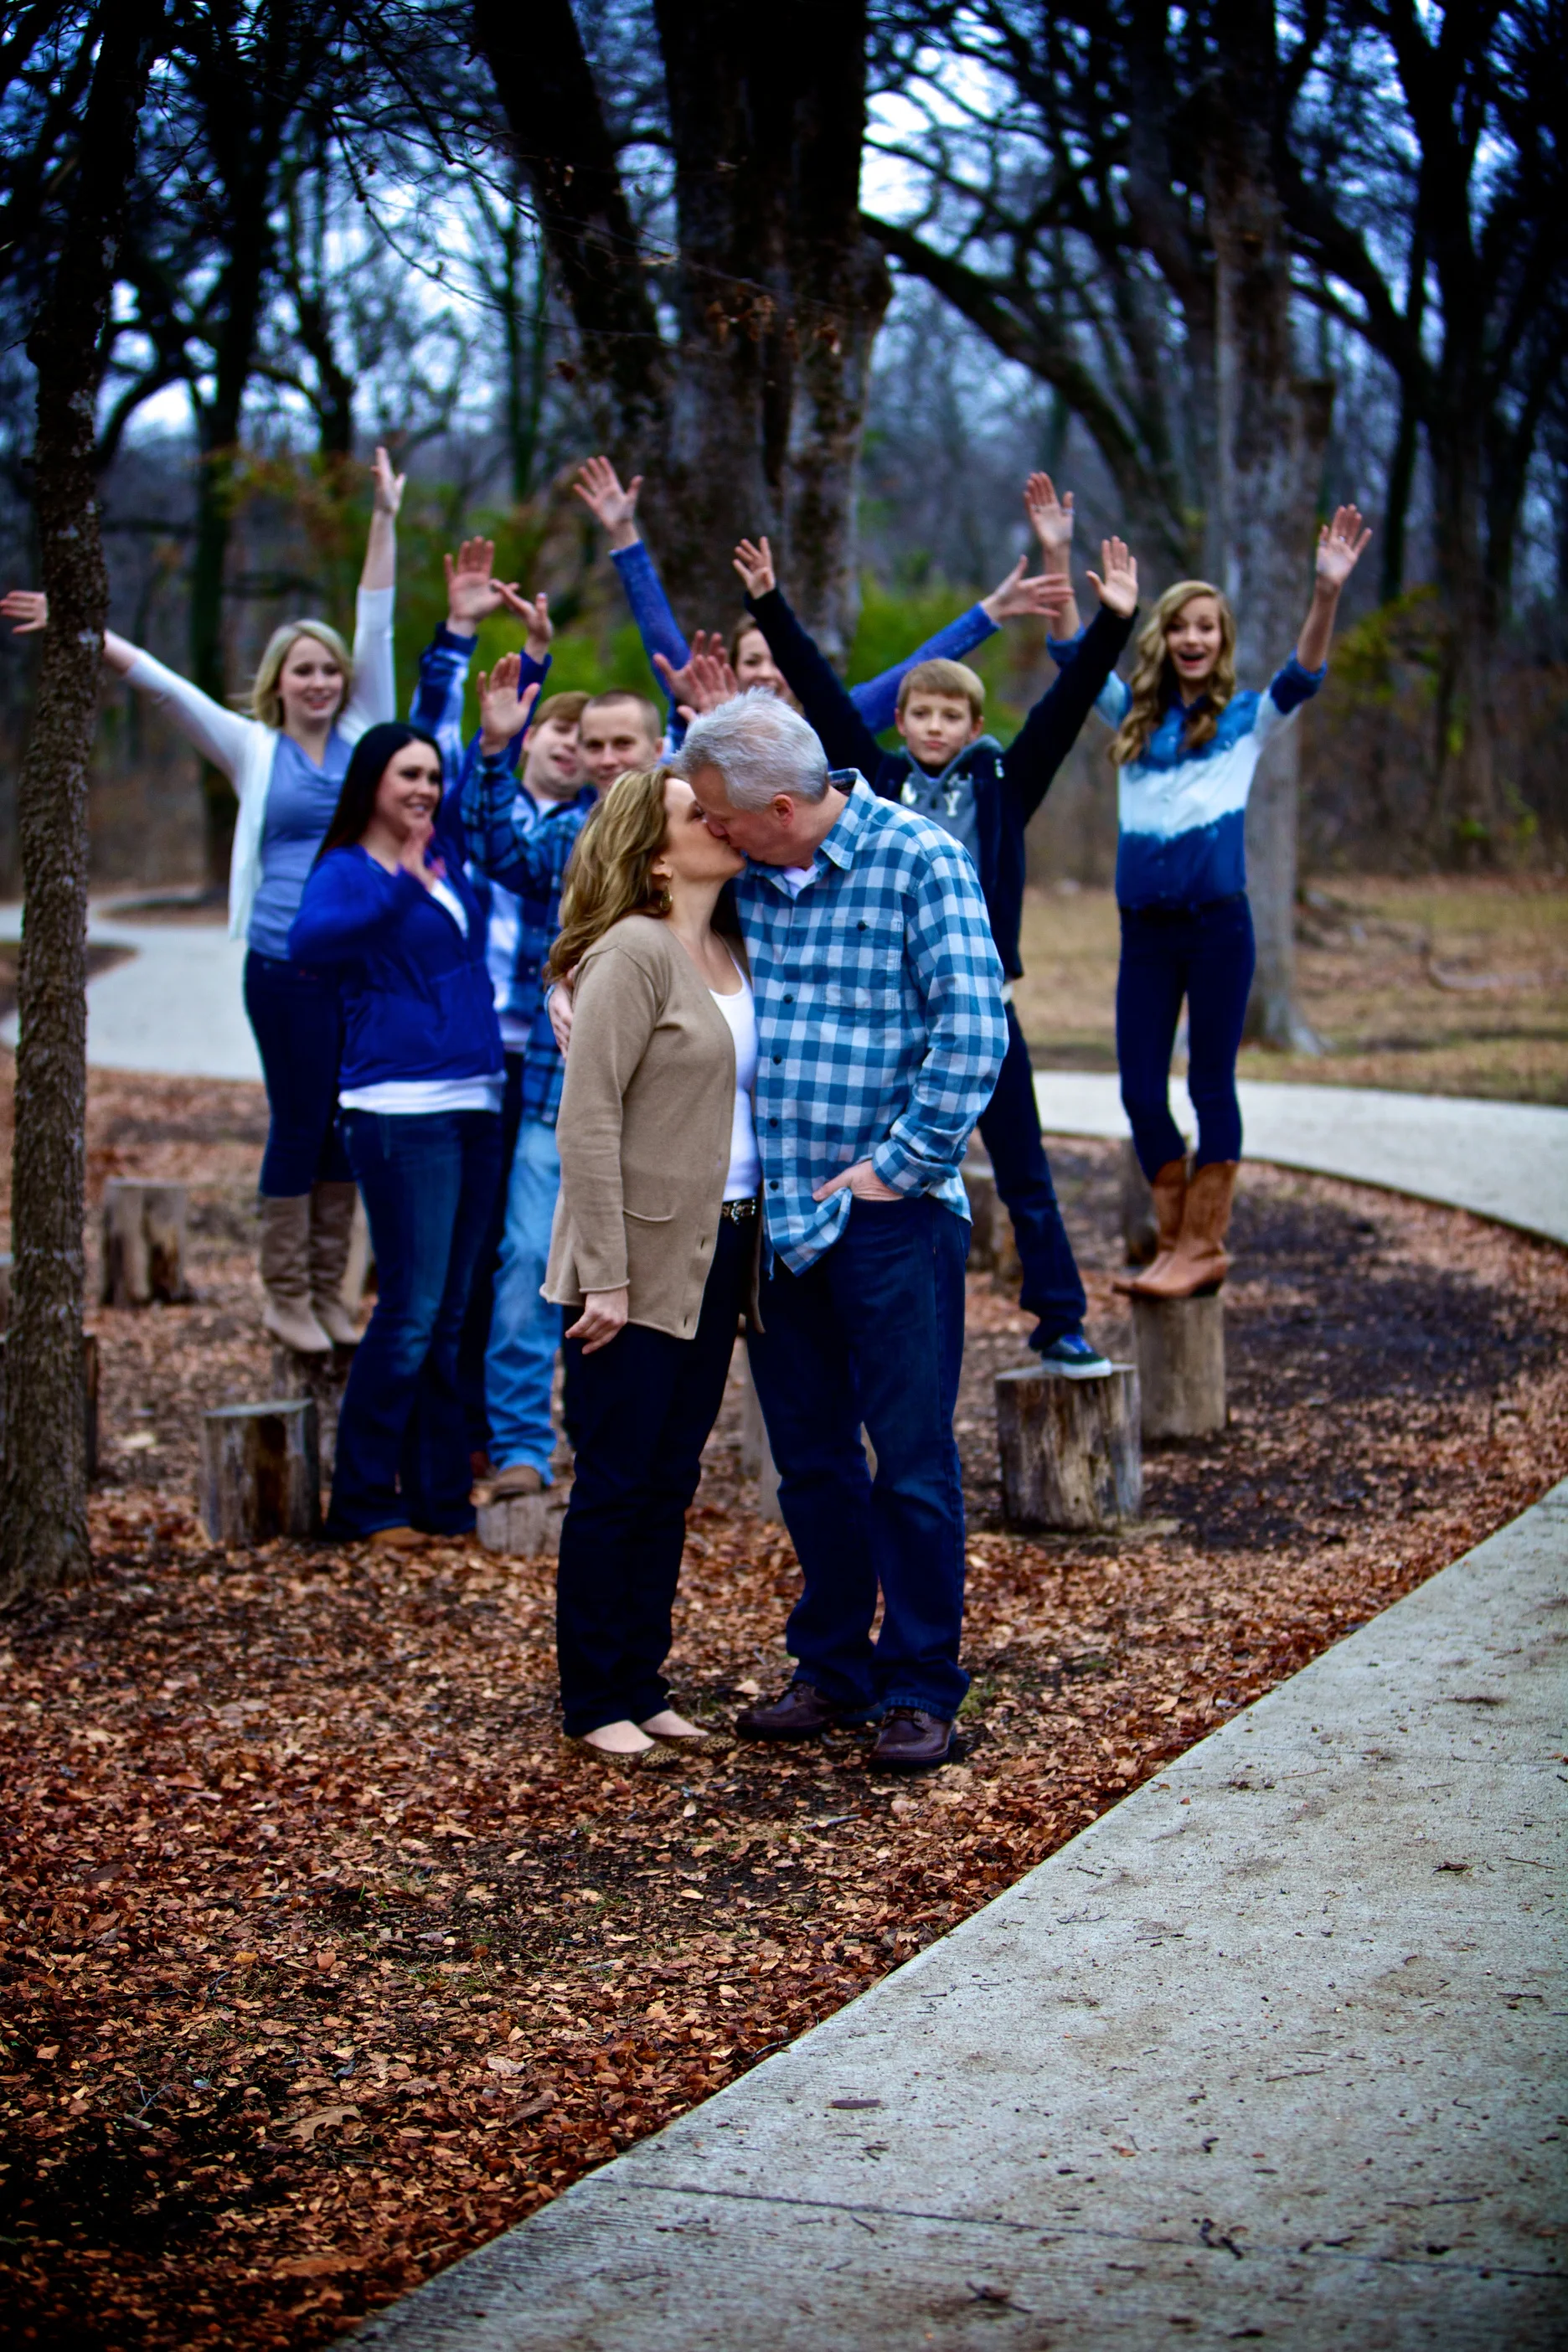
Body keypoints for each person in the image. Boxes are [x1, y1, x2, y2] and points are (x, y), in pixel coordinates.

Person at [667, 693, 1007, 1771]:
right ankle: (833, 1668)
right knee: (811, 1461)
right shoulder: (742, 882)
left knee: (909, 1460)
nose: (710, 831)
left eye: (721, 816)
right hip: (774, 1221)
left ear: (777, 806)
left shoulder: (918, 859)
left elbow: (975, 1025)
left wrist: (899, 1169)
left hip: (890, 1218)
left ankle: (919, 1683)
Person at [3, 446, 405, 1357]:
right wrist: (78, 623)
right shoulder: (250, 747)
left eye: (328, 670)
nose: (320, 681)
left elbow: (375, 623)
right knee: (300, 1119)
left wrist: (384, 516)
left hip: (362, 968)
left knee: (349, 1121)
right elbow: (159, 683)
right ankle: (285, 1296)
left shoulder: (366, 736)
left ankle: (332, 1294)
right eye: (302, 670)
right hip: (285, 966)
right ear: (278, 680)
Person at [727, 526, 1140, 1374]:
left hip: (983, 1009)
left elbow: (1065, 711)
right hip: (883, 1024)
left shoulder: (1003, 789)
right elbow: (821, 692)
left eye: (952, 714)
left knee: (1025, 1170)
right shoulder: (872, 782)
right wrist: (767, 603)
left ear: (975, 724)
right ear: (904, 720)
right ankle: (831, 1308)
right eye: (922, 712)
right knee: (875, 1176)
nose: (935, 726)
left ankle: (1060, 1319)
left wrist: (1111, 627)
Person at [1037, 498, 1371, 1297]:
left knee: (1210, 1084)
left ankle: (1202, 1243)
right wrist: (1057, 556)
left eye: (1207, 628)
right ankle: (1181, 1239)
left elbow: (1305, 675)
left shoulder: (1248, 722)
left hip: (1219, 928)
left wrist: (1325, 593)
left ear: (1221, 642)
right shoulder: (1131, 721)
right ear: (1164, 637)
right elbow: (1069, 655)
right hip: (1145, 933)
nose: (1193, 638)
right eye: (1181, 625)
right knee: (1139, 1091)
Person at [539, 761, 758, 1759]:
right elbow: (585, 1121)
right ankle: (594, 1700)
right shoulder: (632, 953)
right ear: (659, 855)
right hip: (633, 1262)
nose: (721, 822)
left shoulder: (732, 943)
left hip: (721, 1250)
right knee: (618, 1479)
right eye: (696, 813)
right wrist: (606, 1274)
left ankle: (644, 1681)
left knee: (669, 1477)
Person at [287, 699, 534, 1545]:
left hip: (477, 1102)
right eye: (410, 775)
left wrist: (504, 719)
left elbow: (482, 768)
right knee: (411, 1309)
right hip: (399, 1113)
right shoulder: (351, 871)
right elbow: (309, 943)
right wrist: (401, 891)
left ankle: (436, 1499)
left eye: (433, 774)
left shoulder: (446, 855)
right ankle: (362, 1500)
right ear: (373, 785)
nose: (427, 787)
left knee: (450, 1311)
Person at [459, 673, 665, 1503]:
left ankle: (623, 1443)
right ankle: (520, 1446)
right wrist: (493, 751)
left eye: (625, 744)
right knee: (525, 1264)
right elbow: (495, 851)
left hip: (661, 1101)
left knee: (641, 1278)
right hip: (559, 1091)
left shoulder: (694, 834)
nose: (609, 758)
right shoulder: (571, 839)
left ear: (657, 747)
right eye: (595, 745)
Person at [403, 546, 556, 1473]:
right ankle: (448, 1440)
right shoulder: (468, 818)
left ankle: (505, 1438)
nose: (571, 748)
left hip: (537, 1063)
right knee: (455, 1264)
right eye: (556, 732)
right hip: (466, 1059)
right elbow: (447, 735)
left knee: (512, 1257)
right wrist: (463, 634)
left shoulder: (584, 838)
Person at [570, 453, 1062, 738]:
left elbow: (914, 669)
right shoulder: (703, 716)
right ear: (733, 670)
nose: (764, 672)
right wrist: (624, 534)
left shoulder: (831, 724)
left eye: (775, 661)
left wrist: (991, 611)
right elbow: (661, 638)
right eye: (752, 662)